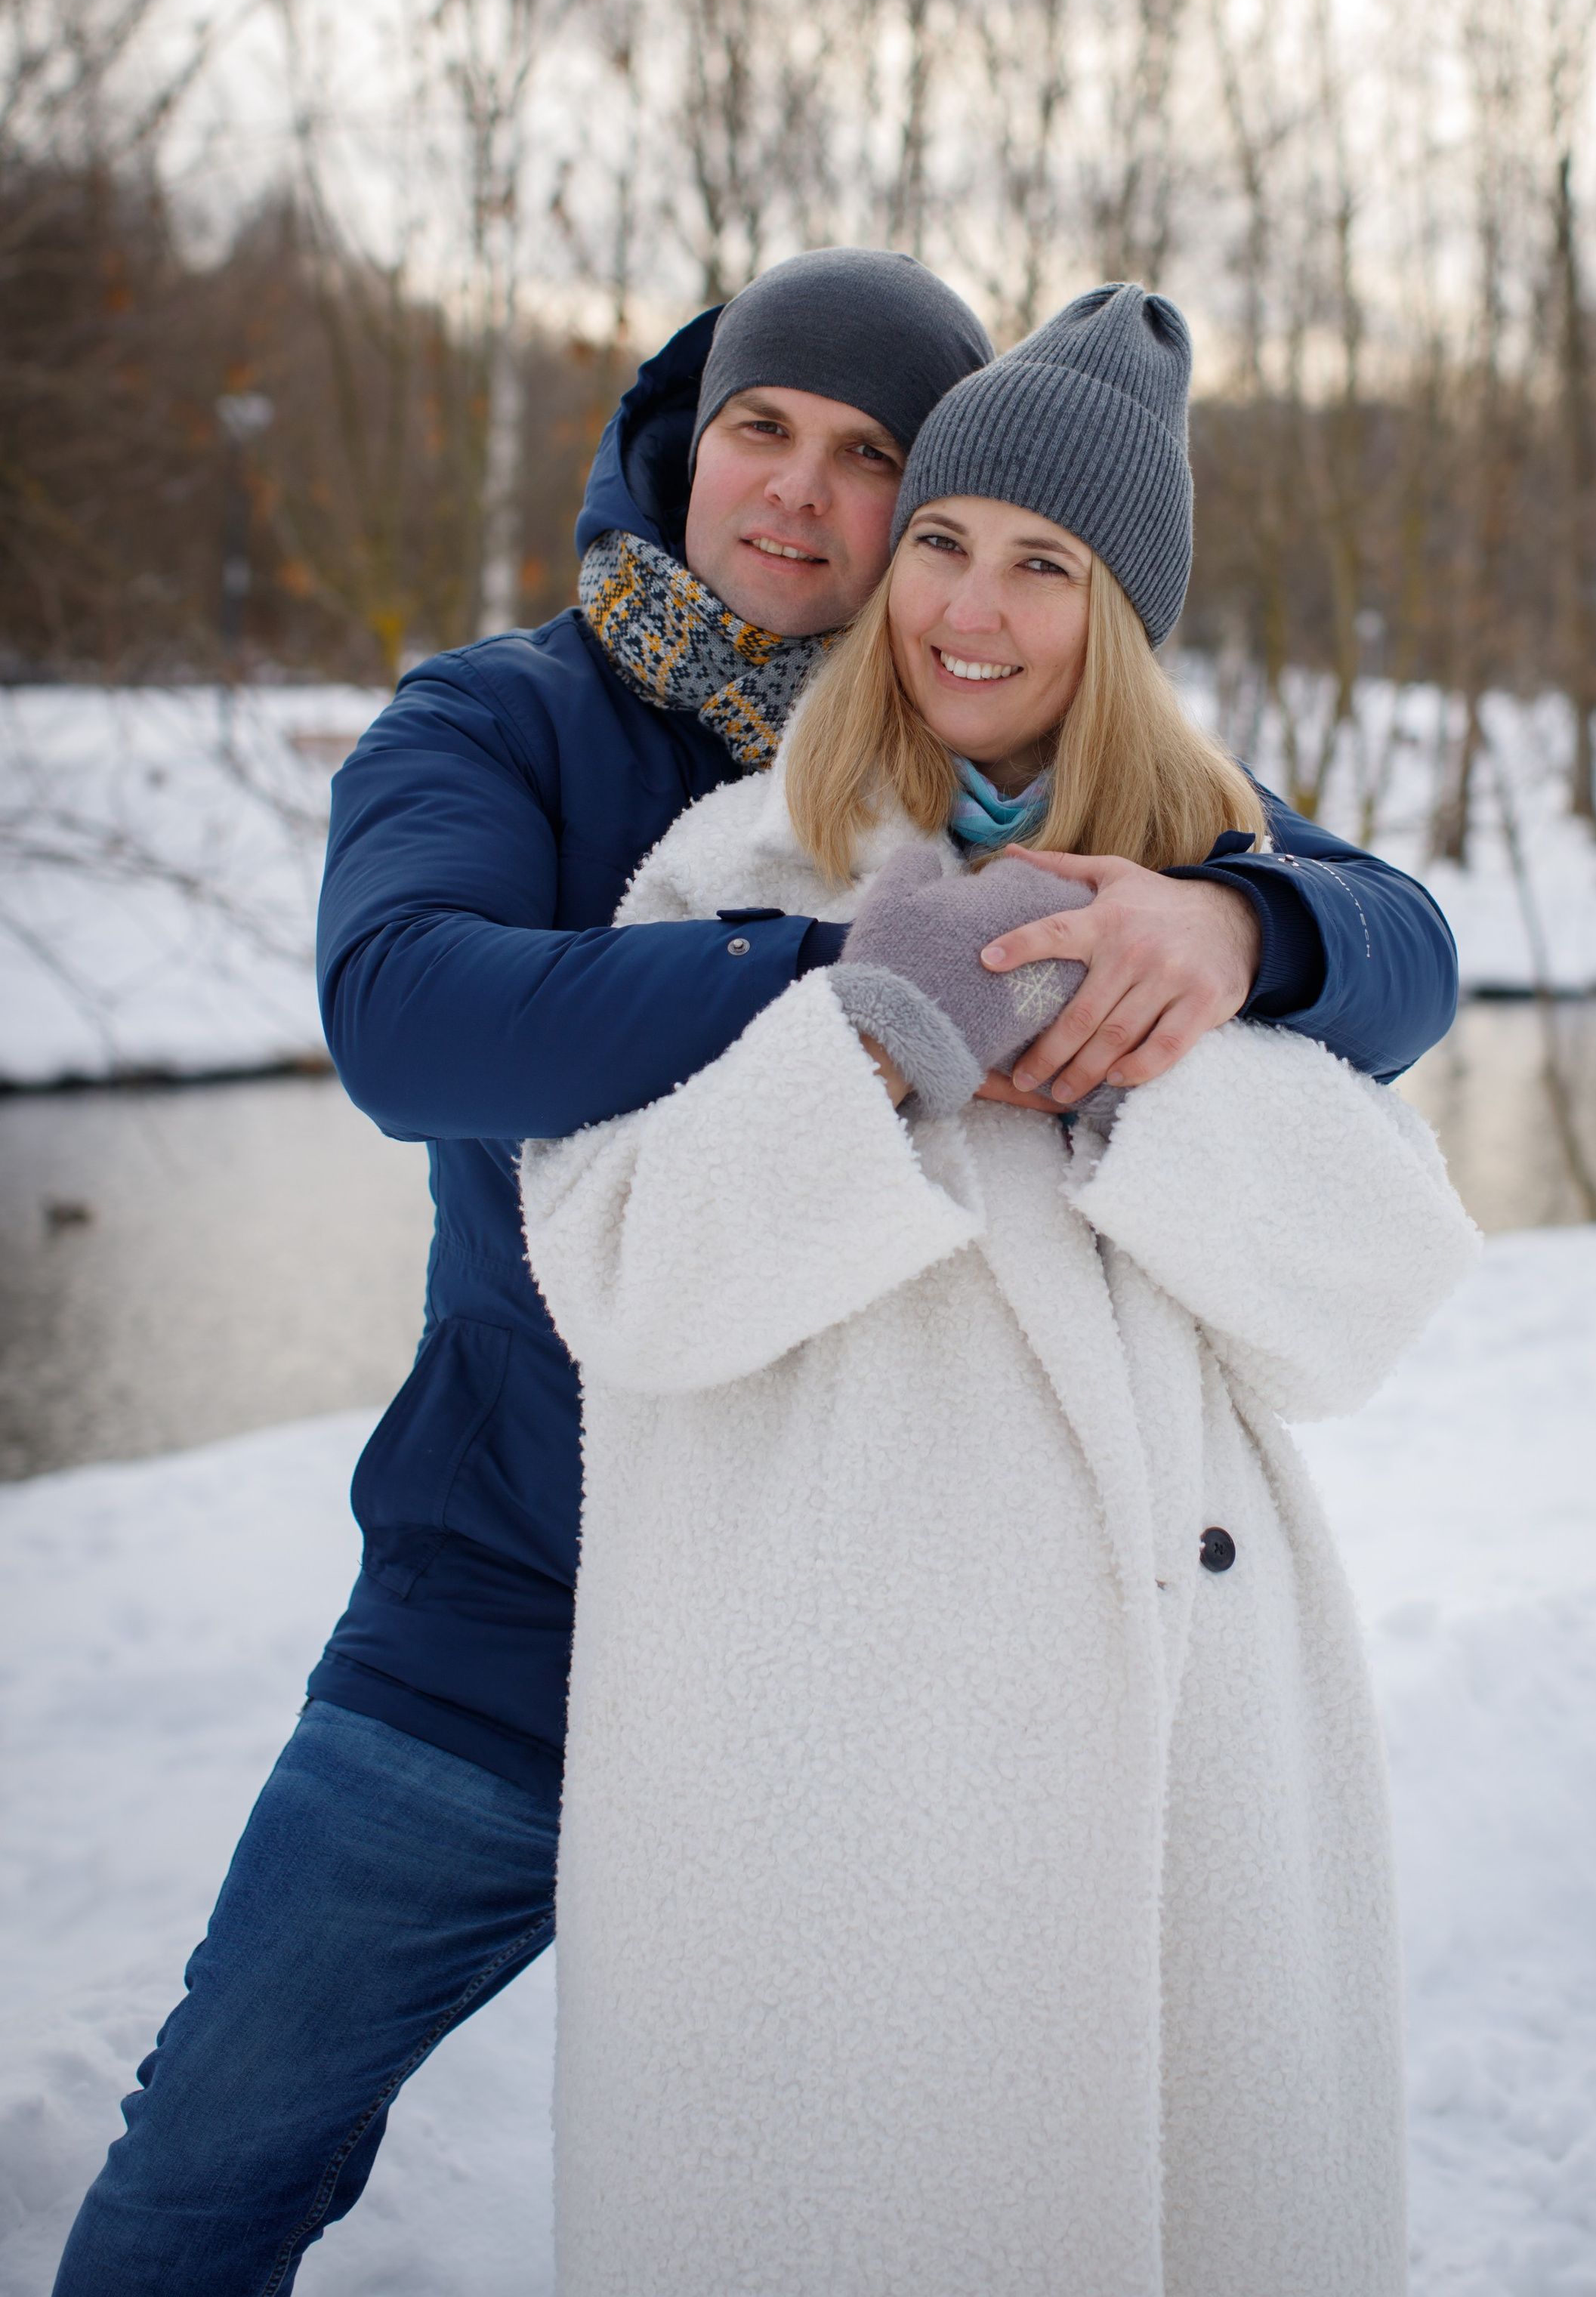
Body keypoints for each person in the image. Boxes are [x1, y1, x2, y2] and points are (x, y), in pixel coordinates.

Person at [54, 255, 1461, 2294]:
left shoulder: (1013, 743)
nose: (801, 490)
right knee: (224, 2139)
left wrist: (1244, 931)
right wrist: (855, 982)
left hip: (850, 1654)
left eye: (870, 456)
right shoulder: (512, 718)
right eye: (760, 429)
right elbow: (406, 1015)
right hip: (511, 1599)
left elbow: (1393, 941)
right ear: (685, 444)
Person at [524, 281, 1480, 2296]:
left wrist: (1159, 1061)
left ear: (1118, 615)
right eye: (942, 542)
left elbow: (1378, 1292)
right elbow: (622, 1279)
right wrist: (870, 1044)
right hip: (825, 1767)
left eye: (1043, 564)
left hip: (1189, 1744)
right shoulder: (734, 874)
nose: (970, 607)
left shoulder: (1215, 882)